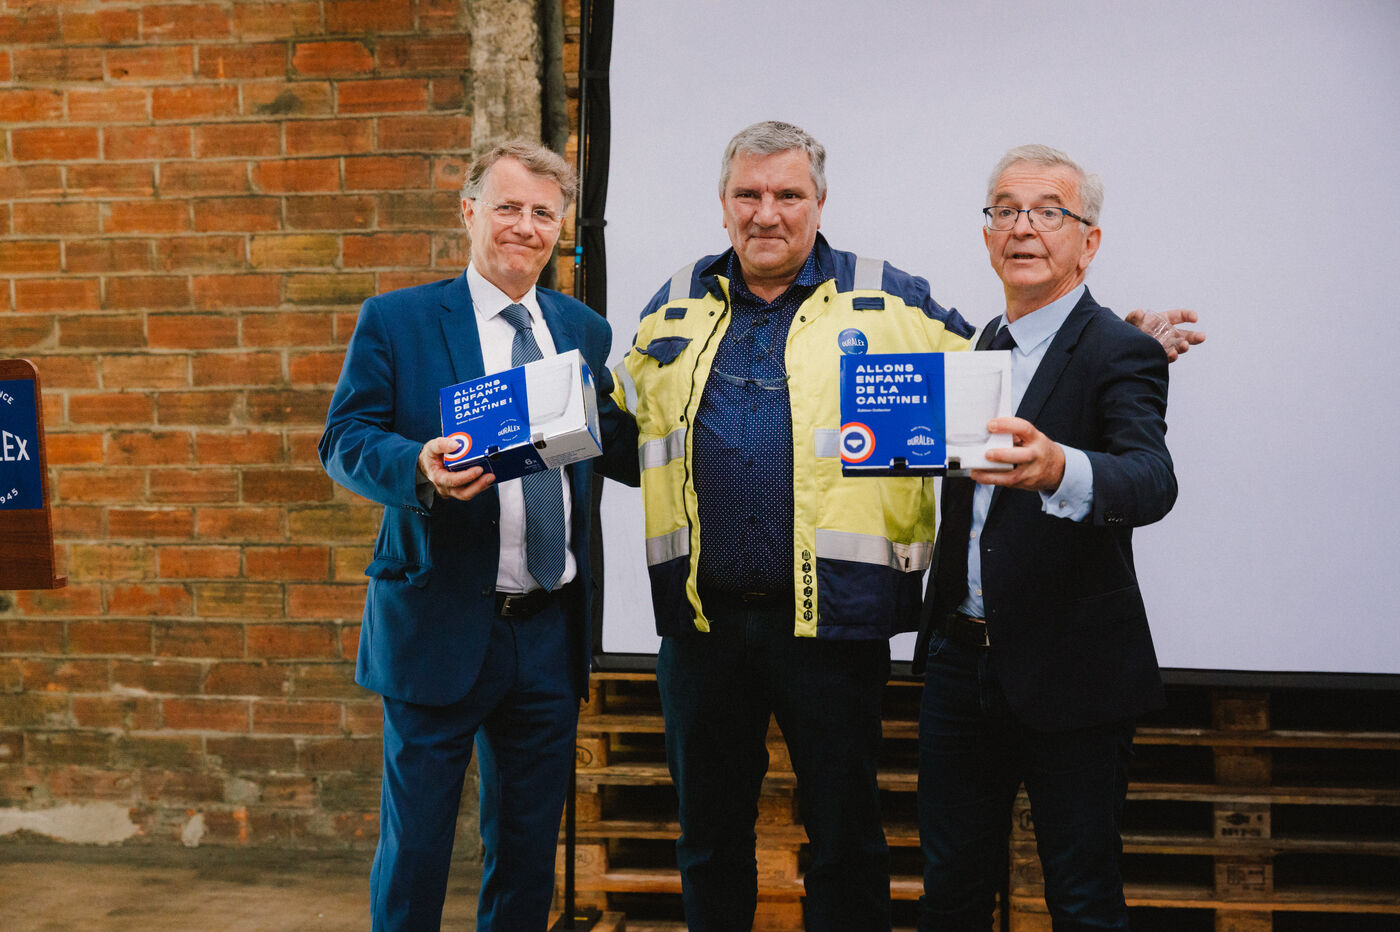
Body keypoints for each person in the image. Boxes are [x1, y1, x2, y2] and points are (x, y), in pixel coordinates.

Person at [609, 121, 1199, 932]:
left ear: (820, 204)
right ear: (723, 203)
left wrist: (1126, 350)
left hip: (832, 629)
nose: (767, 212)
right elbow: (623, 431)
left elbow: (1027, 381)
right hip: (703, 629)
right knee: (711, 842)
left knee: (848, 841)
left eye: (788, 194)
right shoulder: (672, 304)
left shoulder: (891, 300)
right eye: (749, 194)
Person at [319, 140, 636, 931]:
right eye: (508, 207)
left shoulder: (583, 330)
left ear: (561, 227)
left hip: (548, 630)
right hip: (438, 622)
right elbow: (344, 439)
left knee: (526, 853)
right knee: (417, 848)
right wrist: (418, 464)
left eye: (543, 213)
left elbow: (611, 442)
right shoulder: (398, 321)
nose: (526, 226)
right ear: (469, 212)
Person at [913, 144, 1178, 930]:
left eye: (1047, 212)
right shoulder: (975, 348)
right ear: (987, 234)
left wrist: (1062, 467)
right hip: (960, 668)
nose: (1022, 227)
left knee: (1082, 897)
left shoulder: (1121, 349)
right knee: (950, 893)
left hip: (1075, 670)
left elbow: (1151, 480)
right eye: (1005, 211)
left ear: (1087, 241)